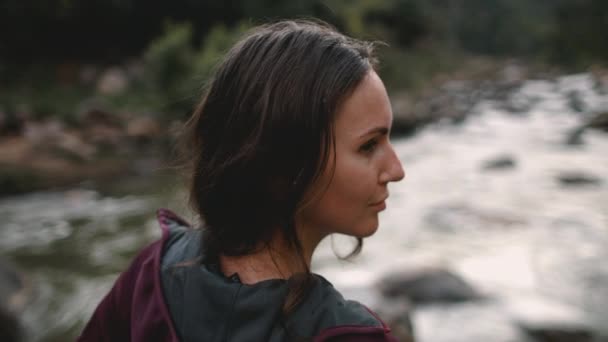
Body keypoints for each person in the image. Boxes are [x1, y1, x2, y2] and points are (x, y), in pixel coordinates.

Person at [78, 19, 405, 342]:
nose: (397, 169)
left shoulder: (153, 273)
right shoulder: (350, 336)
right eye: (369, 146)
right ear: (284, 163)